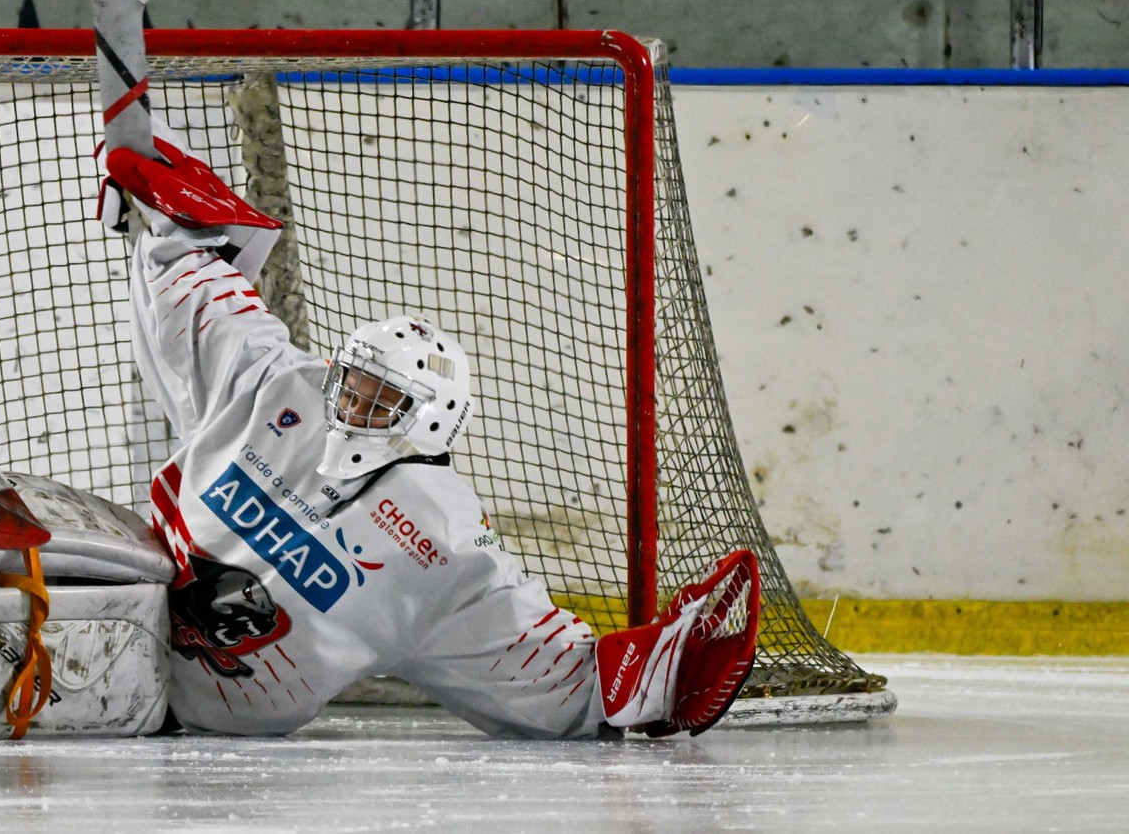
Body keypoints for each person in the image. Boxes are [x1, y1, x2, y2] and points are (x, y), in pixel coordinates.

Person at [99, 139, 761, 739]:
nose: (352, 404)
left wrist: (655, 675)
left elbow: (555, 677)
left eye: (380, 398)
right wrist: (183, 223)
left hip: (183, 712)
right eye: (351, 383)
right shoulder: (283, 385)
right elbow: (203, 300)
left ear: (432, 420)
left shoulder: (444, 542)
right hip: (115, 617)